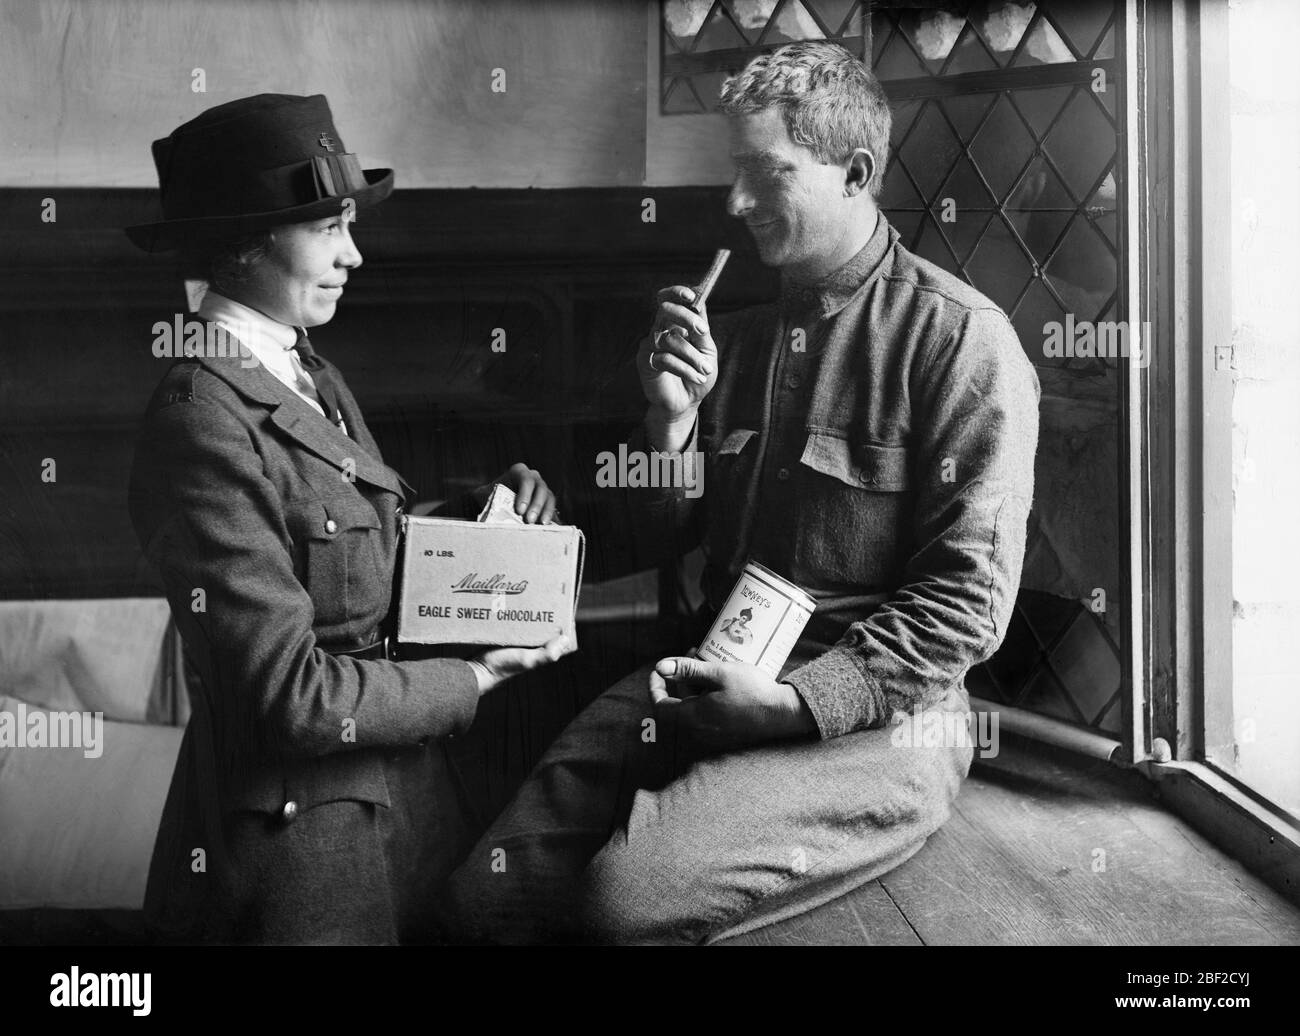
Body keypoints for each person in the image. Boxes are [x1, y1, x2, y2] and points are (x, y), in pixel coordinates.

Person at [445, 41, 1040, 944]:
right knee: (478, 905)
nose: (735, 201)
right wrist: (670, 427)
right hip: (711, 670)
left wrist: (800, 706)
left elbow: (966, 607)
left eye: (768, 172)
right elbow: (653, 537)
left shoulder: (962, 341)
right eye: (736, 171)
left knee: (622, 903)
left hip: (878, 721)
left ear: (856, 172)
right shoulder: (739, 339)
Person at [126, 94, 570, 944]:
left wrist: (485, 518)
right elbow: (290, 697)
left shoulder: (304, 370)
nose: (354, 255)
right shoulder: (200, 418)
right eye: (330, 229)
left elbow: (354, 546)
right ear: (246, 242)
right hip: (302, 851)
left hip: (404, 807)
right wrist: (479, 679)